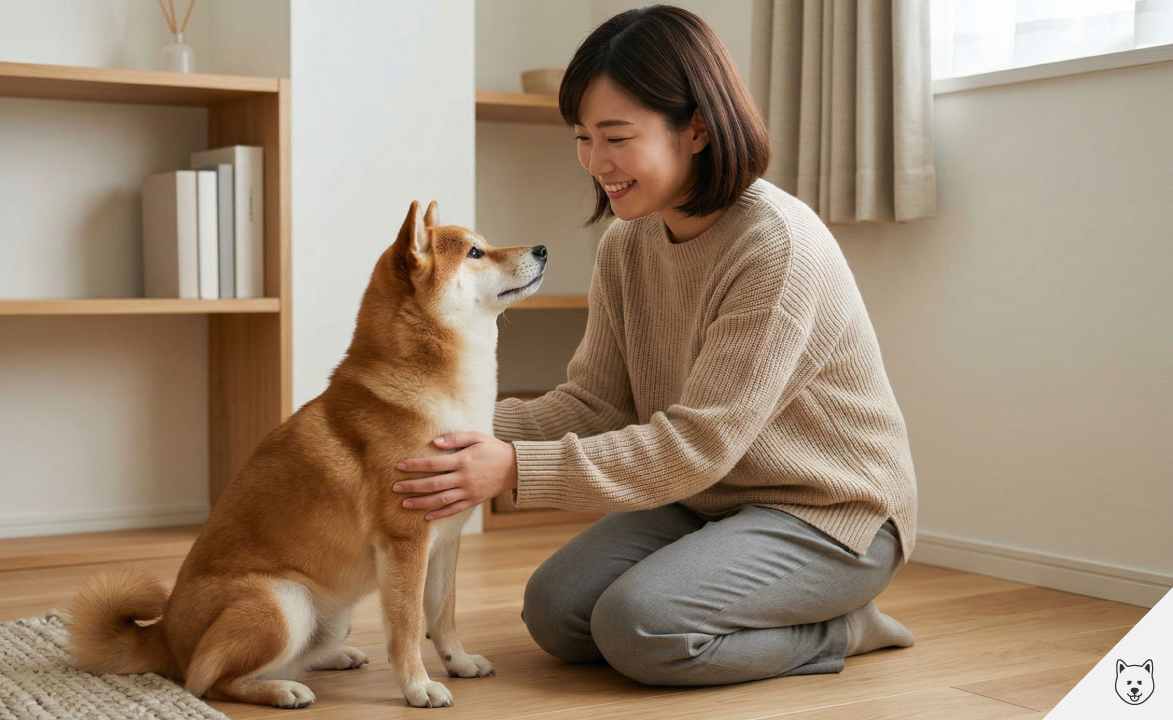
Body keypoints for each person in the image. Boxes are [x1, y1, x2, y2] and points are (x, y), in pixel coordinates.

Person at [392, 4, 917, 686]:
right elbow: (597, 402)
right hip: (709, 498)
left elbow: (697, 443)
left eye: (617, 137)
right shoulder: (627, 241)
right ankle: (732, 589)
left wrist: (513, 467)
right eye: (583, 137)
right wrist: (434, 427)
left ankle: (842, 627)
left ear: (696, 127)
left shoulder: (777, 248)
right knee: (555, 613)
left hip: (832, 513)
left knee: (642, 629)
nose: (596, 162)